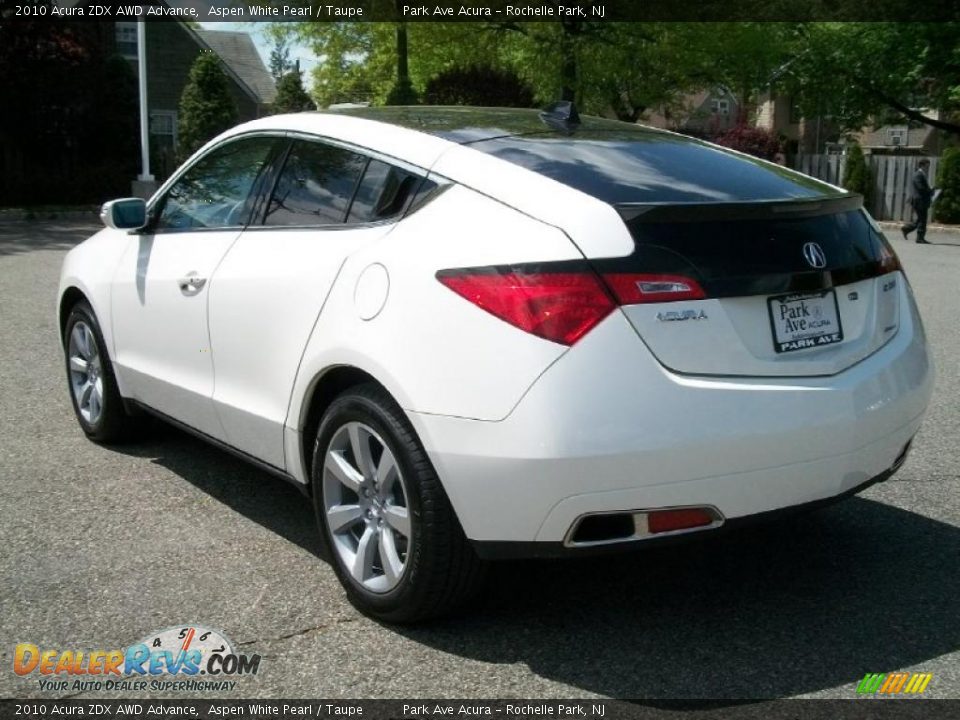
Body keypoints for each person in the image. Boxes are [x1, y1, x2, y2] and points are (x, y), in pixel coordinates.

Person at [901, 159, 935, 244]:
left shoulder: (921, 174)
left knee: (921, 219)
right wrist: (930, 191)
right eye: (927, 165)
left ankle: (907, 229)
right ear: (922, 165)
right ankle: (919, 238)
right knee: (922, 219)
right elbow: (920, 188)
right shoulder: (918, 175)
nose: (928, 167)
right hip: (919, 200)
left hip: (920, 200)